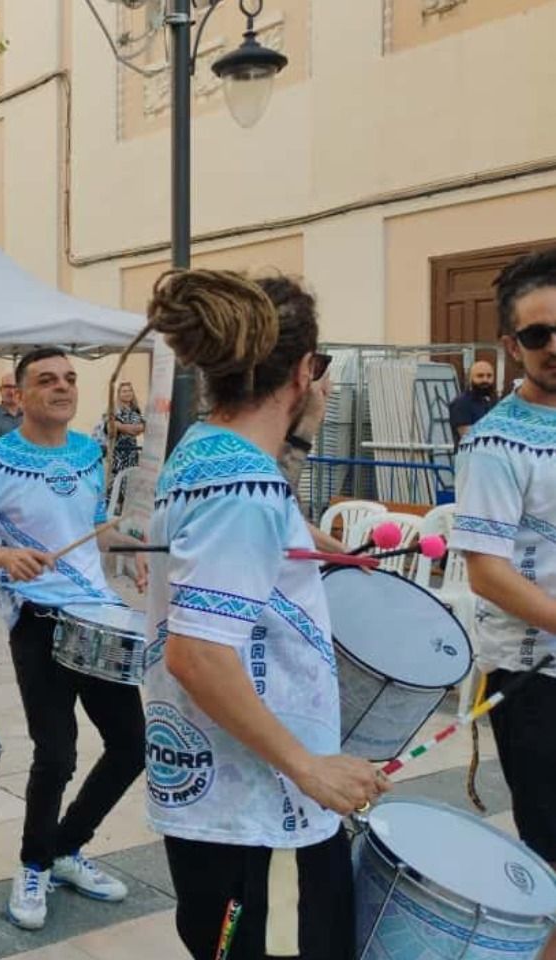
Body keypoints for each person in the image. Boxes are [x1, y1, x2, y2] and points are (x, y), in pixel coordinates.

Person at [120, 271, 382, 960]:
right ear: (305, 370)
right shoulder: (243, 488)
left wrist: (307, 530)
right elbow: (198, 654)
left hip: (238, 780)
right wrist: (310, 768)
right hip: (252, 795)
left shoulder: (209, 451)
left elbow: (250, 522)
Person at [0, 347, 147, 931]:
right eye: (48, 380)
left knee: (131, 745)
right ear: (21, 393)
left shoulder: (88, 453)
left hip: (97, 613)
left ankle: (65, 847)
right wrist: (5, 557)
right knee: (56, 753)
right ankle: (34, 865)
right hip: (36, 620)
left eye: (70, 379)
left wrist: (131, 552)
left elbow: (92, 528)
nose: (62, 388)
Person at [452, 250, 556, 887]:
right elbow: (487, 572)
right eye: (539, 335)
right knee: (551, 856)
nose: (555, 346)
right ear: (512, 346)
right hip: (533, 679)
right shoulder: (495, 442)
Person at [448, 358, 498, 447]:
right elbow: (468, 436)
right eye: (480, 376)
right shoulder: (461, 403)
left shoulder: (494, 401)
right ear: (470, 379)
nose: (485, 380)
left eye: (489, 376)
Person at [107, 381, 145, 485]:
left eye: (129, 391)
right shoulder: (114, 411)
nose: (127, 393)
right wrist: (134, 428)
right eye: (124, 391)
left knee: (131, 482)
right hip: (118, 453)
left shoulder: (136, 411)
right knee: (117, 483)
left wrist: (124, 427)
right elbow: (114, 426)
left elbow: (144, 427)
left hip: (132, 453)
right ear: (119, 394)